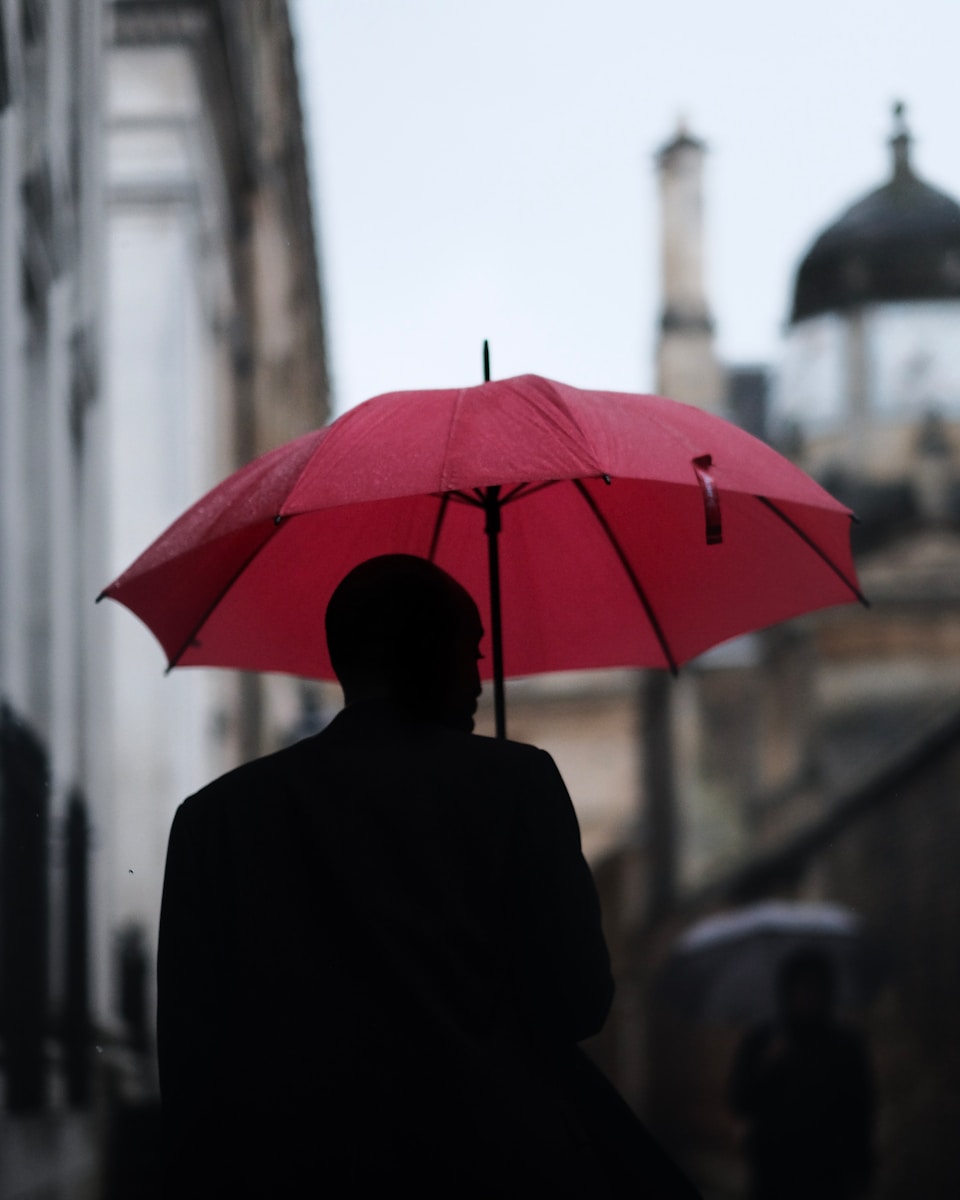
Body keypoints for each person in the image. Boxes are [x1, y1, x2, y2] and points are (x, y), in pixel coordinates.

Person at [158, 554, 700, 1197]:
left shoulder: (215, 820)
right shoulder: (516, 785)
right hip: (490, 1168)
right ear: (423, 652)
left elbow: (190, 1061)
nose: (478, 680)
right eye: (469, 652)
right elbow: (579, 1002)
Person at [729, 947, 875, 1200]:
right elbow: (739, 1100)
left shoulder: (845, 1045)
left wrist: (862, 1171)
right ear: (787, 990)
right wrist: (767, 1066)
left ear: (827, 992)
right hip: (773, 1173)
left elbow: (861, 1111)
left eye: (815, 988)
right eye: (800, 988)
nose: (807, 996)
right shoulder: (764, 1039)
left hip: (830, 1174)